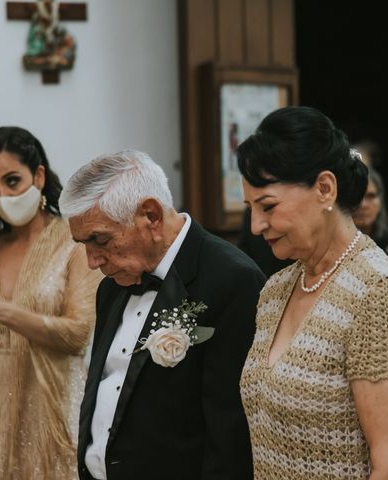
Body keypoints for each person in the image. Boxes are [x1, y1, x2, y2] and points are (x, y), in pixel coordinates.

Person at [237, 107, 388, 479]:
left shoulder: (379, 291)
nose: (257, 225)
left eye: (268, 207)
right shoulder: (276, 290)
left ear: (325, 188)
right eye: (251, 209)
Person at [59, 149, 266, 480]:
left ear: (151, 216)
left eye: (99, 240)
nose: (92, 261)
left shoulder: (232, 280)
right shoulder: (111, 287)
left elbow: (231, 434)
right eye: (83, 243)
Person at [0, 127, 102, 479]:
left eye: (12, 181)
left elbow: (78, 333)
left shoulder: (73, 244)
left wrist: (1, 311)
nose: (2, 196)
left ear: (38, 175)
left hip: (51, 416)